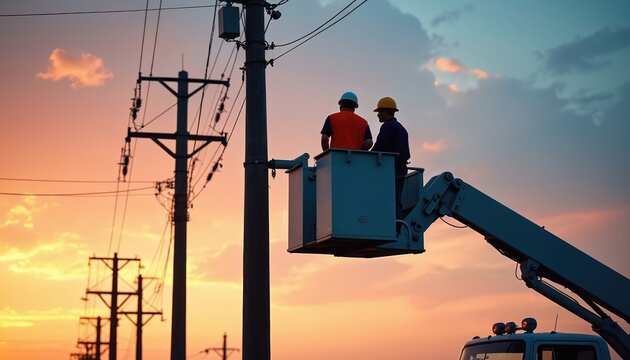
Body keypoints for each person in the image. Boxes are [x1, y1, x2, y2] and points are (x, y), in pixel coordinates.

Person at [371, 97, 410, 220]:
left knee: (389, 199)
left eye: (379, 112)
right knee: (396, 199)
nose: (378, 115)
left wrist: (366, 158)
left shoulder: (388, 127)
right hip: (400, 168)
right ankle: (397, 225)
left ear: (384, 111)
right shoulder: (401, 128)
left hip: (391, 169)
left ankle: (394, 225)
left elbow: (380, 147)